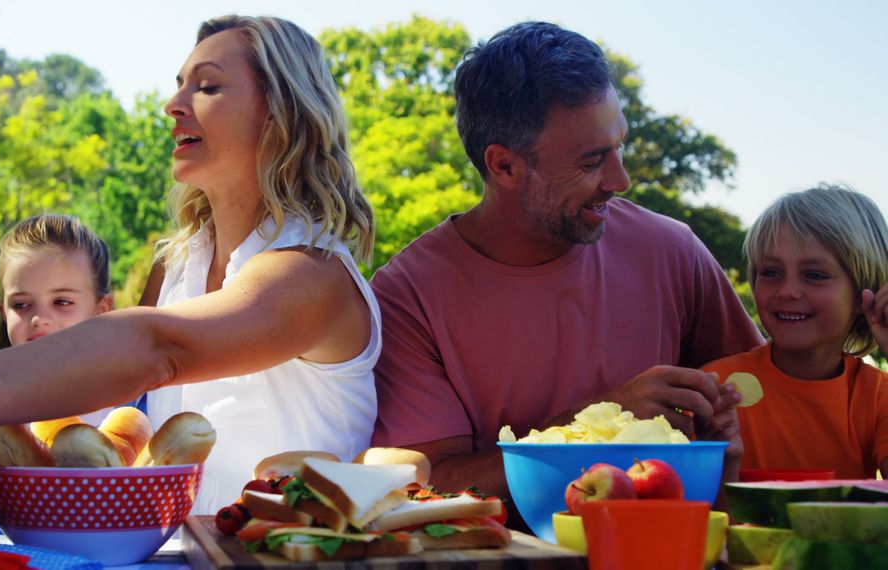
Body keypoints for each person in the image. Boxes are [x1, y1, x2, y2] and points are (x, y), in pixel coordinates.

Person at [0, 15, 379, 525]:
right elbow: (109, 376)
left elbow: (151, 350)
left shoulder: (313, 273)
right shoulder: (177, 265)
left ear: (281, 116)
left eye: (206, 86)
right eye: (178, 84)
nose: (173, 104)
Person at [368, 20, 763, 524]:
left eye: (620, 145)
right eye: (593, 160)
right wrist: (600, 423)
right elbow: (431, 487)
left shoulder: (672, 249)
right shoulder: (407, 296)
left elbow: (767, 408)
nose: (621, 180)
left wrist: (724, 437)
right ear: (504, 166)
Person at [702, 185, 888, 479]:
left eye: (814, 275)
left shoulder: (877, 395)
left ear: (864, 293)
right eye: (771, 272)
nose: (787, 291)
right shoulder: (716, 388)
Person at [0, 213, 119, 425]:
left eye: (62, 302)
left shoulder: (131, 407)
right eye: (21, 305)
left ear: (101, 310)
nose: (39, 319)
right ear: (3, 312)